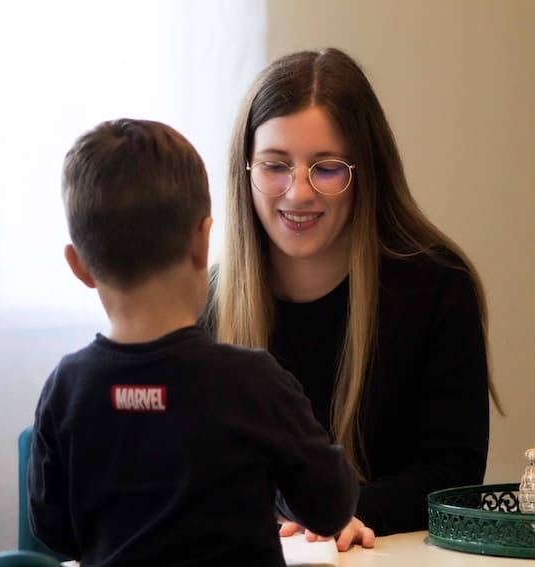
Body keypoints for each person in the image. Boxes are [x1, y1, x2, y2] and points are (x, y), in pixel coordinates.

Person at [203, 47, 501, 550]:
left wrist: (347, 510)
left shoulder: (438, 290)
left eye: (326, 168)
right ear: (245, 171)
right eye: (275, 166)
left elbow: (453, 472)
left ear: (366, 171)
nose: (299, 193)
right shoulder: (205, 304)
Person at [28, 118, 358, 567]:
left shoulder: (67, 387)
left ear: (79, 265)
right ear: (203, 242)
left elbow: (54, 531)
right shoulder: (254, 383)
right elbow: (329, 506)